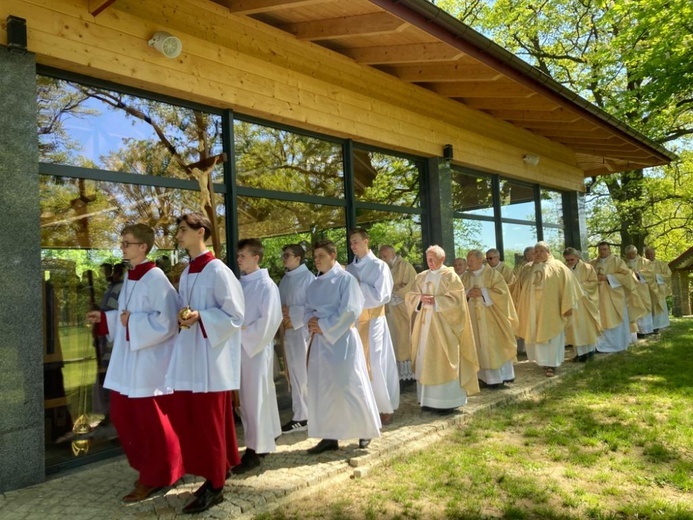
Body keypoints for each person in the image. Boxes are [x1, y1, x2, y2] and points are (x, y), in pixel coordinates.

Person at [86, 224, 183, 503]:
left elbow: (167, 322)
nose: (122, 247)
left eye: (127, 243)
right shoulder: (132, 276)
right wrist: (105, 319)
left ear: (143, 247)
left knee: (149, 422)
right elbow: (126, 314)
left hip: (149, 365)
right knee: (123, 416)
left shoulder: (156, 278)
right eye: (122, 243)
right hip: (129, 361)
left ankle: (157, 476)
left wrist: (132, 322)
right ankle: (154, 470)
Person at [164, 212, 245, 514]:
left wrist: (202, 317)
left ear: (201, 232)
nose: (178, 235)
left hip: (212, 360)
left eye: (183, 230)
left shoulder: (219, 271)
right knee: (196, 421)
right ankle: (216, 473)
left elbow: (236, 315)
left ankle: (216, 486)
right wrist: (183, 316)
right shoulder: (187, 272)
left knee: (210, 424)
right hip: (191, 356)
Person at [304, 240, 381, 453]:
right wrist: (311, 321)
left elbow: (350, 311)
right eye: (315, 256)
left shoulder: (346, 280)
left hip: (342, 341)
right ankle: (330, 435)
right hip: (320, 343)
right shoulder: (314, 284)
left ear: (333, 256)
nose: (316, 259)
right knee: (324, 388)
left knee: (350, 385)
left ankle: (365, 429)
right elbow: (308, 309)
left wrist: (323, 325)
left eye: (320, 255)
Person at [406, 245, 479, 414]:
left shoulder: (451, 276)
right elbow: (410, 296)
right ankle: (426, 400)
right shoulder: (422, 276)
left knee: (442, 360)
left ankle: (446, 402)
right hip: (424, 326)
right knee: (425, 358)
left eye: (433, 259)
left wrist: (437, 301)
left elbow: (458, 302)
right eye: (428, 259)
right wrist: (419, 298)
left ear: (442, 259)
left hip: (444, 328)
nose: (429, 262)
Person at [235, 238, 283, 473]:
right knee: (247, 400)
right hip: (239, 348)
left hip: (255, 348)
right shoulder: (239, 284)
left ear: (256, 257)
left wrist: (242, 334)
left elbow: (271, 321)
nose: (239, 260)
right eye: (238, 256)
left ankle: (255, 449)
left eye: (243, 256)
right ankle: (262, 440)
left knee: (255, 399)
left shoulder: (266, 285)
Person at [346, 228, 399, 426]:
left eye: (356, 241)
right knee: (356, 363)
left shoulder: (379, 266)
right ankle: (362, 405)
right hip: (355, 322)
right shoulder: (350, 269)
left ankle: (384, 406)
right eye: (351, 242)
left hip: (374, 321)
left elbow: (382, 295)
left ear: (366, 241)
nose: (353, 246)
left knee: (376, 363)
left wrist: (358, 285)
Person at [515, 242, 582, 377]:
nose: (538, 254)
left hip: (552, 308)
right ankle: (542, 361)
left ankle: (552, 364)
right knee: (536, 333)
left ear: (548, 252)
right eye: (535, 251)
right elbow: (518, 287)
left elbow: (569, 285)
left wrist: (568, 306)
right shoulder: (527, 268)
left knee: (552, 335)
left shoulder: (558, 267)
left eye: (541, 251)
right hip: (533, 308)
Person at [461, 249, 518, 388]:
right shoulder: (465, 277)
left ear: (481, 260)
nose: (469, 263)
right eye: (468, 261)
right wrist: (468, 293)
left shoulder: (493, 274)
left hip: (492, 317)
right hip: (472, 317)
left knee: (493, 346)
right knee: (478, 346)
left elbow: (503, 294)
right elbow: (459, 292)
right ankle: (482, 378)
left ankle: (499, 378)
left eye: (472, 261)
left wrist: (483, 292)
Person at [278, 243, 315, 433]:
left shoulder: (308, 278)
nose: (284, 258)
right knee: (292, 373)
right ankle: (299, 413)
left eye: (287, 255)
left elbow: (312, 305)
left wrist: (292, 314)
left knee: (303, 372)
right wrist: (283, 315)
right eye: (283, 255)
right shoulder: (285, 279)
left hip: (302, 332)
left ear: (298, 258)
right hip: (288, 332)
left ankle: (306, 415)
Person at [590, 242, 640, 352]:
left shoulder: (617, 261)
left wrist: (608, 277)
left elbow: (626, 275)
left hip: (614, 296)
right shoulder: (593, 263)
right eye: (600, 250)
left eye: (604, 249)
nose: (602, 252)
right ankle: (600, 345)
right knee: (601, 319)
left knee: (614, 317)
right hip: (598, 296)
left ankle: (617, 344)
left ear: (609, 250)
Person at [379, 245, 417, 383]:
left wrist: (394, 293)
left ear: (393, 253)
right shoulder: (383, 268)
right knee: (393, 340)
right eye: (381, 256)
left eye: (385, 256)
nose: (383, 259)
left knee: (403, 340)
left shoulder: (405, 266)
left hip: (402, 310)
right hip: (389, 310)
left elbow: (411, 285)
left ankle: (407, 377)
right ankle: (395, 376)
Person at [92, 262, 125, 423]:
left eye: (113, 271)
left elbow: (112, 311)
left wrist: (103, 314)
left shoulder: (120, 289)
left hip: (114, 339)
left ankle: (111, 415)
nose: (110, 274)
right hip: (108, 334)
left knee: (110, 374)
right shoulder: (112, 288)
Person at [563, 247, 602, 362]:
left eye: (572, 259)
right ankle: (579, 353)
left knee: (586, 327)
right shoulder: (564, 269)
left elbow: (593, 282)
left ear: (577, 257)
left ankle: (590, 352)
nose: (569, 262)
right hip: (572, 302)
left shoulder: (587, 267)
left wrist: (578, 287)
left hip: (585, 302)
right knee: (574, 328)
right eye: (567, 260)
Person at [624, 245, 656, 337]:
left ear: (636, 252)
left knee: (644, 307)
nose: (630, 256)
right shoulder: (624, 263)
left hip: (642, 288)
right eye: (628, 254)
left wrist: (638, 274)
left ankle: (645, 330)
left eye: (632, 253)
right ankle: (635, 331)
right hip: (630, 290)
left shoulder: (645, 261)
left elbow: (650, 273)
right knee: (633, 307)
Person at [644, 247, 672, 331]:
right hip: (647, 290)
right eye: (647, 254)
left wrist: (656, 276)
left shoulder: (661, 264)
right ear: (645, 255)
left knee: (659, 306)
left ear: (654, 254)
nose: (649, 255)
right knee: (649, 308)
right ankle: (650, 327)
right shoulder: (642, 264)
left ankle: (659, 325)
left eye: (651, 253)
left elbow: (668, 274)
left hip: (658, 290)